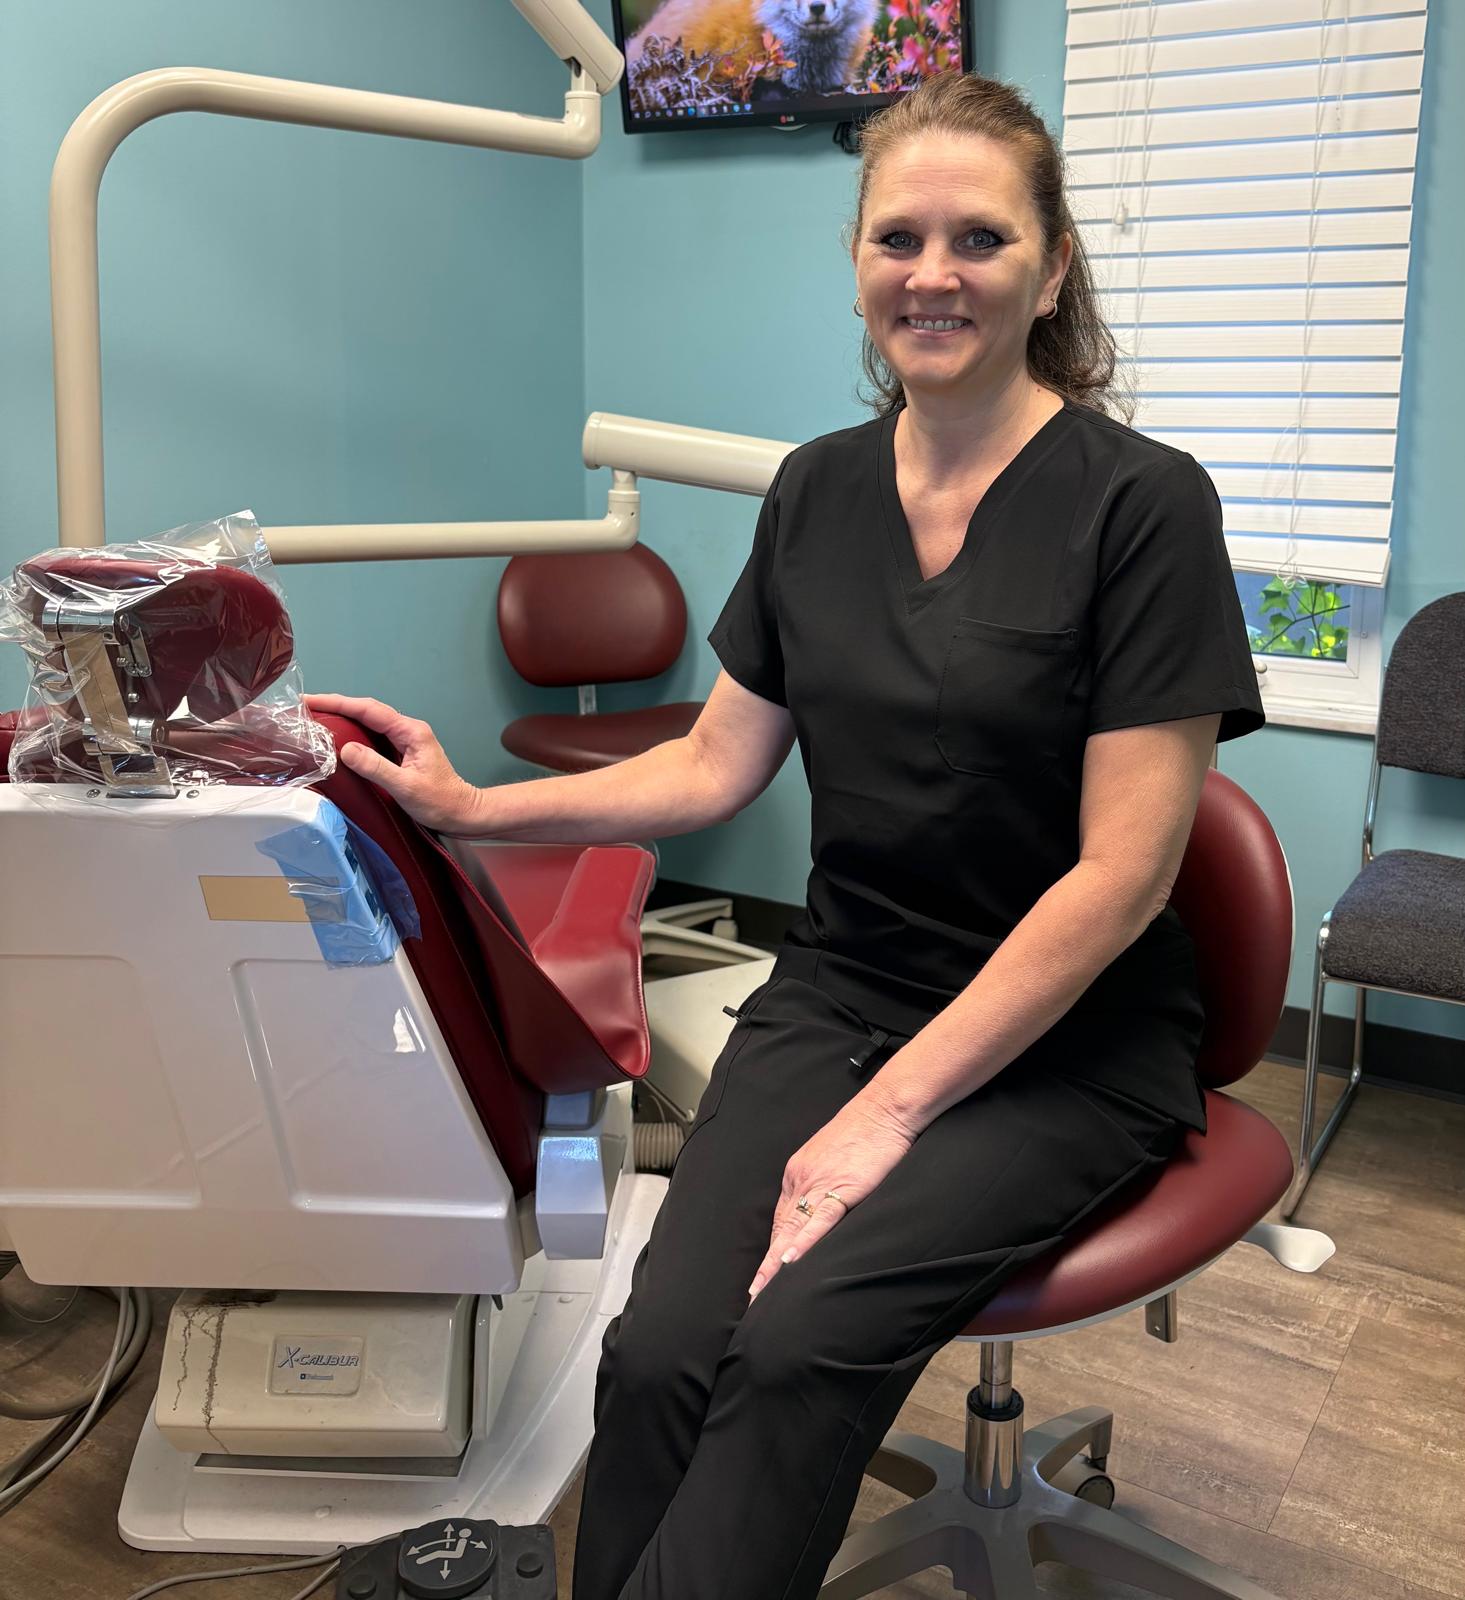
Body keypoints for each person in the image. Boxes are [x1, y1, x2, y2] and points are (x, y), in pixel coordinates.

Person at [307, 68, 1265, 1600]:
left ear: (1050, 268)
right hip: (847, 993)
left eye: (979, 239)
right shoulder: (816, 490)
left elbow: (1123, 874)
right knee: (665, 1343)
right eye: (899, 238)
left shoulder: (1140, 506)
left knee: (803, 1342)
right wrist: (474, 807)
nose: (933, 274)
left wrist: (881, 1121)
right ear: (856, 260)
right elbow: (707, 767)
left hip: (1065, 1035)